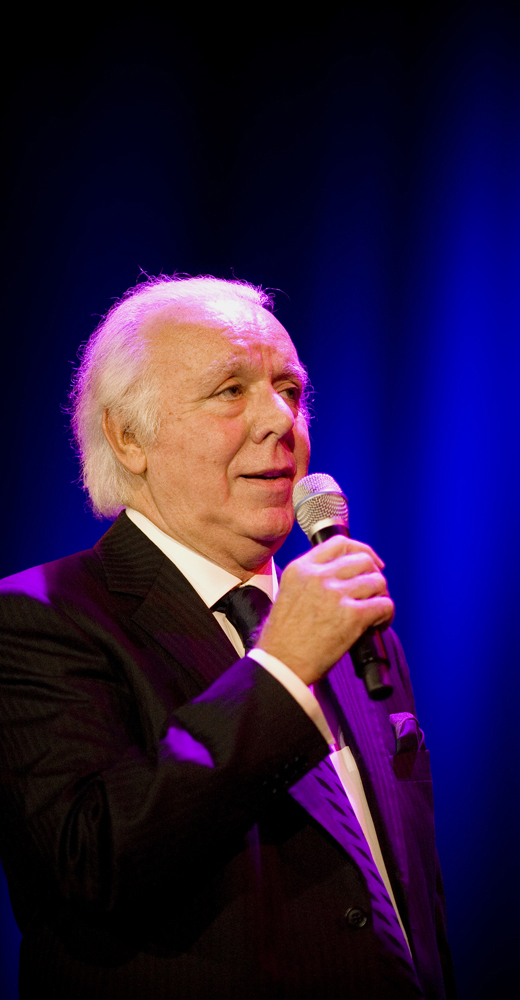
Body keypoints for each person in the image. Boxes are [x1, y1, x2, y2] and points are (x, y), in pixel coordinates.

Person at [0, 276, 455, 999]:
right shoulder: (37, 620)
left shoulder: (350, 628)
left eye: (290, 390)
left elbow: (409, 899)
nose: (280, 420)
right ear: (129, 437)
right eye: (230, 391)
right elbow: (93, 861)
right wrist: (281, 670)